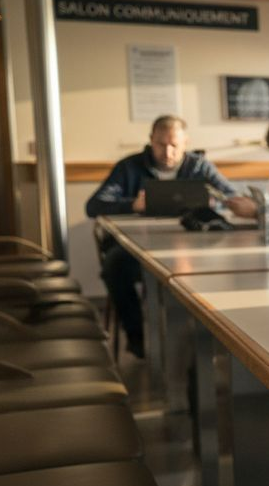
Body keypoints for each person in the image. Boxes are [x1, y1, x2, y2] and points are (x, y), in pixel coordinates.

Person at [86, 114, 236, 358]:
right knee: (114, 267)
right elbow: (93, 205)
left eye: (174, 145)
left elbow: (232, 197)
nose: (168, 152)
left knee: (222, 266)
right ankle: (137, 337)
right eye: (160, 144)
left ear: (185, 143)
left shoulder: (199, 166)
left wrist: (215, 204)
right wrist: (132, 205)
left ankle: (204, 347)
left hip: (192, 250)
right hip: (136, 248)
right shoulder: (129, 166)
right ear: (150, 141)